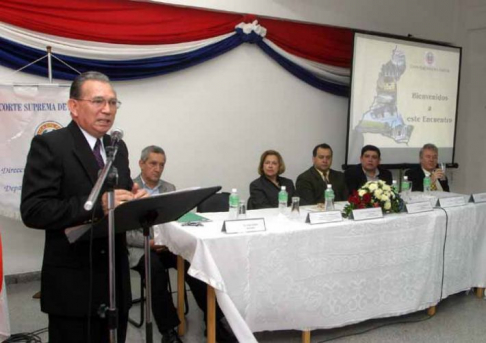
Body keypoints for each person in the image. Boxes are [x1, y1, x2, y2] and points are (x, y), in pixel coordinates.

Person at [20, 71, 146, 343]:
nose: (107, 110)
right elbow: (34, 210)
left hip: (115, 278)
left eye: (113, 103)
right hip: (73, 284)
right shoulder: (51, 145)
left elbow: (117, 199)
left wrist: (133, 202)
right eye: (98, 101)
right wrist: (96, 206)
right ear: (73, 106)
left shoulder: (117, 147)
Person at [127, 146, 236, 343]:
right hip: (142, 248)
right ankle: (168, 331)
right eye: (153, 163)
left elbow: (176, 221)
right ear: (141, 164)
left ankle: (214, 321)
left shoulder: (169, 188)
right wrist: (150, 243)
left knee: (197, 262)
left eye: (161, 165)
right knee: (155, 270)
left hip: (168, 246)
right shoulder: (129, 189)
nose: (158, 169)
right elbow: (124, 233)